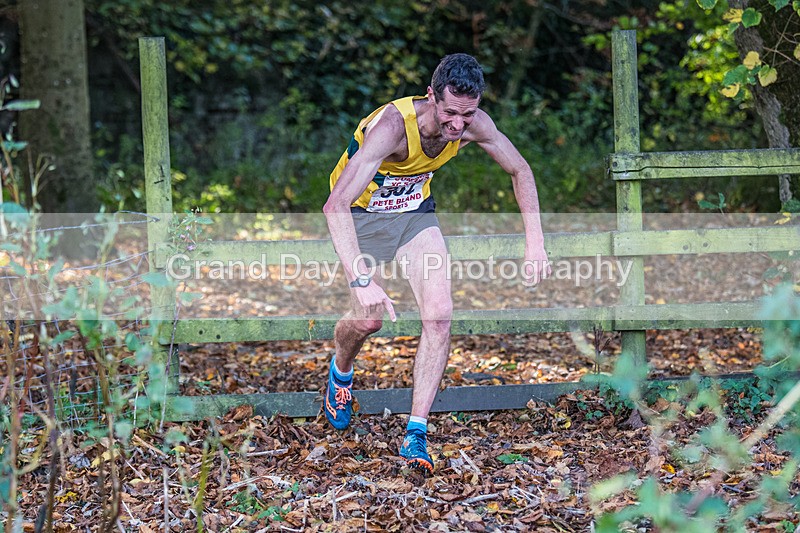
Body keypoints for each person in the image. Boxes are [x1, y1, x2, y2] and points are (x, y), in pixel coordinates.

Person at [322, 53, 550, 475]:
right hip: (361, 216)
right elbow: (334, 204)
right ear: (431, 97)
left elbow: (520, 170)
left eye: (467, 114)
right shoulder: (392, 127)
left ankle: (416, 431)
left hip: (413, 216)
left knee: (440, 314)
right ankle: (342, 368)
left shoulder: (473, 122)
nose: (458, 126)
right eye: (450, 113)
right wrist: (360, 278)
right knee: (368, 320)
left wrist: (535, 242)